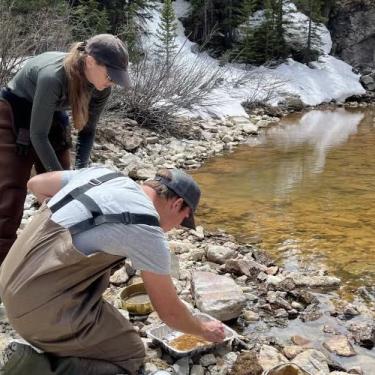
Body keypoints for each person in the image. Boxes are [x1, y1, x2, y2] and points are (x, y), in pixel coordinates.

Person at [0, 166, 225, 375]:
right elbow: (170, 313)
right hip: (34, 309)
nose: (177, 228)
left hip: (9, 277)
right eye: (183, 221)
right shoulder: (146, 229)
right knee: (131, 353)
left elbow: (36, 183)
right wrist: (204, 330)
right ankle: (33, 366)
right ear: (176, 204)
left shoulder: (105, 175)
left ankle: (54, 335)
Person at [0, 33, 131, 265]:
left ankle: (54, 258)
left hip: (50, 112)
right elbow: (37, 135)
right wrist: (66, 184)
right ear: (90, 61)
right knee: (11, 194)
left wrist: (80, 175)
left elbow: (87, 131)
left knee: (68, 196)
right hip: (14, 109)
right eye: (111, 75)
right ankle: (3, 268)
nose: (113, 81)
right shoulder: (53, 76)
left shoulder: (102, 87)